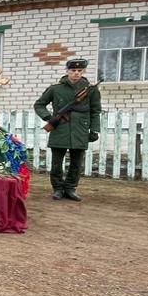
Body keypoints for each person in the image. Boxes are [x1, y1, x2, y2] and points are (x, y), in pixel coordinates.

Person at [34, 58, 101, 202]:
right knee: (57, 163)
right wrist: (48, 118)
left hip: (80, 130)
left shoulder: (91, 90)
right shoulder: (55, 89)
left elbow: (95, 111)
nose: (76, 73)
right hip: (60, 129)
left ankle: (70, 189)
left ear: (83, 71)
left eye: (79, 71)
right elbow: (39, 104)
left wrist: (94, 130)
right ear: (67, 71)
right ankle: (58, 189)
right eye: (73, 70)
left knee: (76, 163)